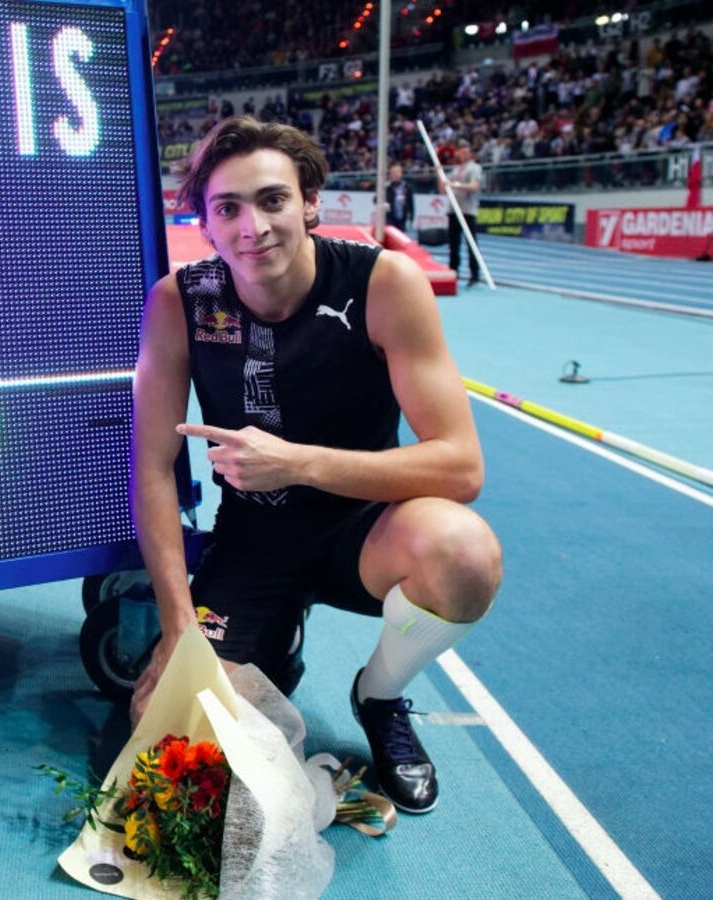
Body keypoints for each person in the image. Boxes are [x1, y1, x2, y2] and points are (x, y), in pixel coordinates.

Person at [131, 117, 502, 815]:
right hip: (252, 543)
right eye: (228, 208)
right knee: (172, 744)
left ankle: (379, 695)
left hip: (364, 534)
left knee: (463, 553)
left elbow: (460, 468)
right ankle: (273, 638)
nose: (253, 226)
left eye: (272, 200)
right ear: (205, 224)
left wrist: (296, 463)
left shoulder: (384, 283)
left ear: (309, 202)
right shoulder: (180, 301)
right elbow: (151, 466)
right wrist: (176, 620)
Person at [439, 139, 483, 285]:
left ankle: (474, 275)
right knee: (453, 244)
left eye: (465, 151)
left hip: (468, 211)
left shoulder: (474, 168)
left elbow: (474, 186)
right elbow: (443, 190)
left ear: (469, 153)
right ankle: (453, 272)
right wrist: (439, 174)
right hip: (453, 211)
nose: (461, 154)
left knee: (471, 244)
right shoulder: (455, 170)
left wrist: (454, 185)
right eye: (460, 151)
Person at [385, 161, 415, 234]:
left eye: (398, 172)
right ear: (390, 174)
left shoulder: (406, 187)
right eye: (393, 172)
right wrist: (383, 203)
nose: (395, 174)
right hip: (390, 219)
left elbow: (411, 204)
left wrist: (411, 217)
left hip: (402, 219)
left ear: (401, 173)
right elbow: (375, 199)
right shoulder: (386, 187)